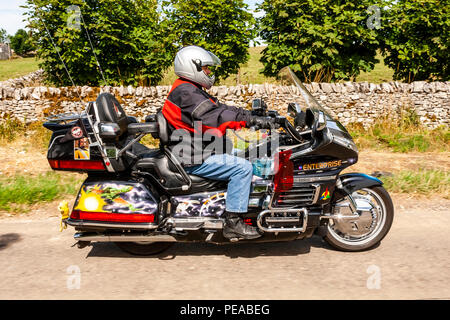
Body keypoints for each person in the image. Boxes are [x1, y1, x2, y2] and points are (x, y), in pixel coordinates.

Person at [161, 45, 275, 240]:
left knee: (249, 153)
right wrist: (249, 121)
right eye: (206, 68)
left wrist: (249, 114)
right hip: (193, 157)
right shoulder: (187, 93)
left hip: (196, 150)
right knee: (243, 167)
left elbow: (219, 108)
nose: (209, 72)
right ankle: (234, 222)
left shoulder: (188, 88)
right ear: (192, 67)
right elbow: (214, 117)